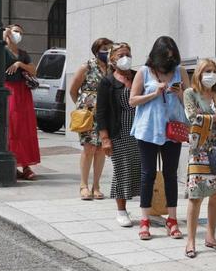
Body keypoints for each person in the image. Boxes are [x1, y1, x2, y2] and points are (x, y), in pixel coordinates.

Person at [129, 36, 190, 241]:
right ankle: (144, 219)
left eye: (173, 57)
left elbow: (189, 102)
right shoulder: (144, 72)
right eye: (166, 57)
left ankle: (172, 219)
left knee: (171, 174)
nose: (170, 61)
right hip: (148, 129)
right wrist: (154, 93)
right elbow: (133, 101)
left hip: (173, 130)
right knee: (148, 174)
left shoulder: (180, 71)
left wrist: (180, 92)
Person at [183, 59, 216, 258]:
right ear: (199, 74)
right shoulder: (190, 94)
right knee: (196, 196)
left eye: (214, 71)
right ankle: (191, 240)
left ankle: (211, 236)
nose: (211, 74)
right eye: (207, 71)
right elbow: (194, 117)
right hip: (199, 150)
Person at [96, 43, 141, 227]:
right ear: (113, 59)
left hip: (140, 131)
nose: (126, 57)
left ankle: (148, 209)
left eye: (128, 54)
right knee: (122, 170)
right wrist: (105, 138)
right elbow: (101, 112)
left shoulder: (139, 76)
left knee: (141, 170)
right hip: (119, 132)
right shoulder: (107, 82)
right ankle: (121, 210)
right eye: (121, 54)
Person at [69, 37, 113, 200]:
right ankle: (83, 185)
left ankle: (96, 185)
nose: (107, 51)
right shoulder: (86, 66)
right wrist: (82, 107)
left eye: (109, 48)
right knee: (89, 148)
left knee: (101, 148)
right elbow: (73, 90)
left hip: (105, 113)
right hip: (88, 113)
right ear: (96, 50)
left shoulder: (112, 68)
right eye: (104, 48)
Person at [3, 24, 40, 180]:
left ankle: (25, 165)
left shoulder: (23, 54)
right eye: (15, 31)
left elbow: (34, 70)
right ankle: (13, 164)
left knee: (25, 127)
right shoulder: (0, 50)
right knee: (12, 127)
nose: (18, 34)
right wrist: (3, 36)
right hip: (7, 90)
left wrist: (19, 64)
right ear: (8, 33)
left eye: (20, 32)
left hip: (22, 92)